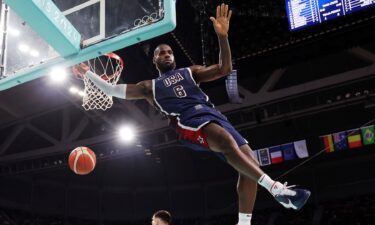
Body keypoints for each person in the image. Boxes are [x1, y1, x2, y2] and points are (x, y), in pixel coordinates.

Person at [73, 4, 311, 225]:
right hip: (188, 123)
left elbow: (224, 69)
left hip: (213, 115)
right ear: (154, 59)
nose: (166, 54)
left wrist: (222, 37)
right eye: (161, 53)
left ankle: (244, 223)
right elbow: (113, 89)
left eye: (169, 52)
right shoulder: (149, 87)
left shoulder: (191, 71)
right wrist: (88, 74)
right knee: (225, 141)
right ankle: (277, 189)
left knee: (250, 163)